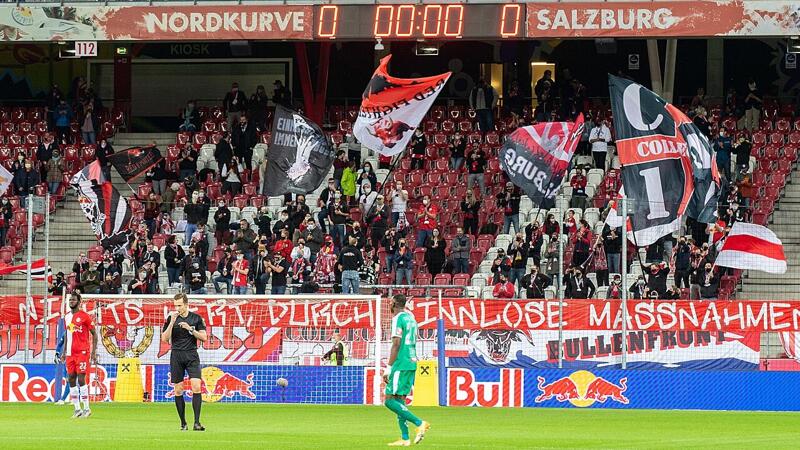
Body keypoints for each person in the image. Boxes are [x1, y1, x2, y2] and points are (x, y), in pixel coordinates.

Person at [383, 294, 430, 446]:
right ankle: (405, 438)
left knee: (389, 400)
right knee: (400, 400)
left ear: (394, 303)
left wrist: (388, 368)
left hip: (401, 363)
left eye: (390, 302)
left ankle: (419, 423)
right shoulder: (411, 318)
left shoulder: (398, 318)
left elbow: (396, 344)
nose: (389, 304)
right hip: (411, 361)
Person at [161, 293, 207, 431]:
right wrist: (171, 324)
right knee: (178, 389)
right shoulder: (171, 318)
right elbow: (164, 338)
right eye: (175, 305)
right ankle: (183, 423)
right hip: (176, 355)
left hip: (191, 355)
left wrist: (190, 329)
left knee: (196, 386)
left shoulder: (196, 318)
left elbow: (204, 337)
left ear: (187, 304)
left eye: (180, 305)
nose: (177, 308)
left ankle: (197, 422)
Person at [55, 293, 97, 418]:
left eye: (73, 300)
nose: (71, 302)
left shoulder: (85, 316)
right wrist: (63, 352)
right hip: (69, 354)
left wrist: (93, 352)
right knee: (71, 379)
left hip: (82, 352)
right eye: (70, 300)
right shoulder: (67, 317)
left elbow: (94, 334)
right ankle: (77, 409)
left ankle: (87, 408)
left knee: (81, 378)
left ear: (79, 301)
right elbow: (68, 334)